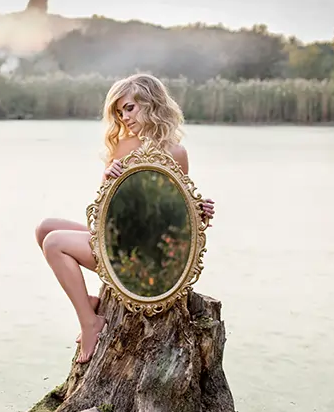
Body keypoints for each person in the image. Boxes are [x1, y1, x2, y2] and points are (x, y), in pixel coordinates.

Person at [34, 73, 216, 363]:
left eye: (129, 107)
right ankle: (90, 302)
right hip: (121, 238)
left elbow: (174, 219)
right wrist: (107, 179)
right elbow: (107, 210)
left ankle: (90, 321)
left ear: (151, 102)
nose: (124, 117)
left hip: (142, 255)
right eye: (119, 112)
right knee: (45, 228)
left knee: (55, 242)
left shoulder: (176, 153)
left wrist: (198, 212)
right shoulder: (122, 146)